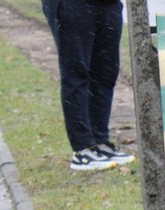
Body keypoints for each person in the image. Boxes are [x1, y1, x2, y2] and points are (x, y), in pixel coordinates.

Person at [42, 0, 135, 171]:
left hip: (108, 5)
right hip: (72, 5)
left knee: (105, 74)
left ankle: (99, 141)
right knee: (76, 73)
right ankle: (82, 149)